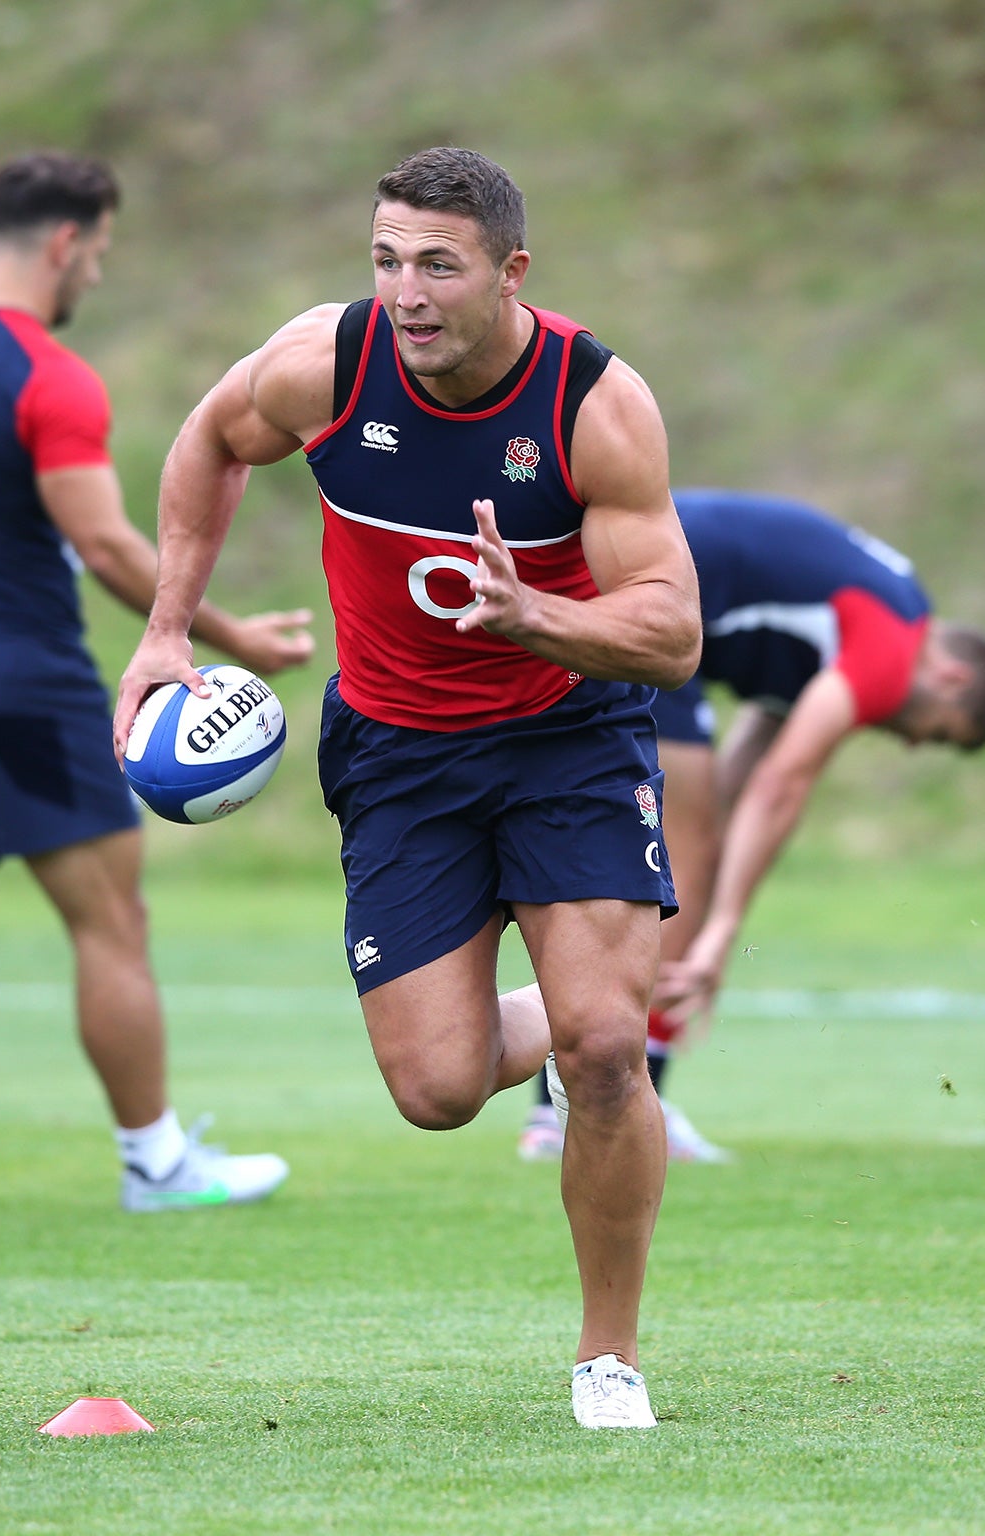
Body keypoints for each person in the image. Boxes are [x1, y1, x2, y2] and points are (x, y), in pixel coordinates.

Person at [114, 147, 698, 1429]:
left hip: (566, 738)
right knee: (435, 1091)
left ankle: (608, 1356)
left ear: (509, 271)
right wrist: (167, 629)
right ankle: (582, 984)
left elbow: (668, 635)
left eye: (438, 264)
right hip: (397, 753)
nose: (408, 292)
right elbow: (210, 440)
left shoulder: (590, 406)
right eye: (386, 261)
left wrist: (534, 617)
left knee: (606, 1050)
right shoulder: (326, 364)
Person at [0, 153, 311, 1223]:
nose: (97, 274)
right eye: (100, 253)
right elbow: (105, 542)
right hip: (23, 681)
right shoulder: (48, 375)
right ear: (62, 243)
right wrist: (228, 635)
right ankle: (155, 1162)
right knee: (109, 923)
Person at [518, 491, 985, 1162]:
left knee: (680, 848)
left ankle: (570, 1106)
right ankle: (581, 1112)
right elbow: (785, 782)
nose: (912, 745)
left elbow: (755, 765)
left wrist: (712, 870)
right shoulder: (891, 646)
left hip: (626, 573)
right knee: (677, 859)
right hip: (642, 588)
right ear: (951, 677)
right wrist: (720, 929)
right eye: (938, 736)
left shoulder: (865, 619)